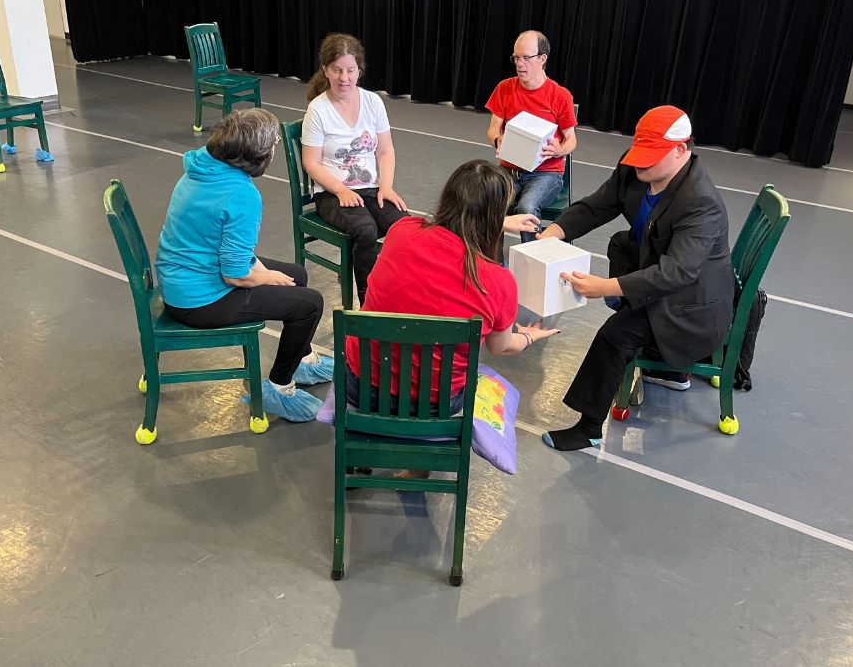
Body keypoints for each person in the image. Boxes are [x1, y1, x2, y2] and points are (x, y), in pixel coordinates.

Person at [538, 106, 735, 451]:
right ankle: (660, 360)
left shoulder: (699, 202)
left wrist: (606, 288)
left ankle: (588, 429)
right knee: (621, 244)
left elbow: (678, 272)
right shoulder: (635, 168)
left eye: (652, 156)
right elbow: (597, 206)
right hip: (660, 271)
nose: (641, 163)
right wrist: (554, 232)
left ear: (680, 150)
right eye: (639, 153)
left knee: (615, 335)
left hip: (689, 303)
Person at [345, 160, 559, 423]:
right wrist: (529, 337)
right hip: (435, 404)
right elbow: (501, 347)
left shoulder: (401, 231)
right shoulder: (499, 281)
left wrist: (495, 222)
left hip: (361, 385)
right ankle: (418, 464)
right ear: (495, 215)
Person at [155, 109, 333, 424]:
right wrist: (268, 277)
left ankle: (301, 358)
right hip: (200, 301)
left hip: (181, 280)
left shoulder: (200, 167)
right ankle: (278, 387)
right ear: (257, 157)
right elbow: (235, 274)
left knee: (298, 275)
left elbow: (224, 246)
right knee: (310, 304)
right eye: (275, 142)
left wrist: (270, 275)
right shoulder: (241, 194)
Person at [301, 34, 410, 305]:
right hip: (331, 192)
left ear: (359, 70)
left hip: (372, 187)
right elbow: (311, 162)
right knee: (366, 231)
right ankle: (368, 302)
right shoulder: (318, 110)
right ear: (325, 70)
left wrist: (386, 186)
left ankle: (393, 290)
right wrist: (339, 189)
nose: (344, 78)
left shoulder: (373, 102)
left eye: (350, 70)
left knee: (404, 226)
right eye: (337, 70)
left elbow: (385, 150)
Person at [486, 30, 578, 241]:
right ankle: (495, 265)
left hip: (546, 174)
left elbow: (571, 139)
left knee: (526, 206)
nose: (520, 64)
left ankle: (531, 261)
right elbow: (492, 131)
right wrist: (498, 140)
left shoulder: (560, 96)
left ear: (542, 59)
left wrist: (559, 149)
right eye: (516, 58)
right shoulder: (505, 88)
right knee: (491, 202)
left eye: (526, 58)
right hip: (509, 170)